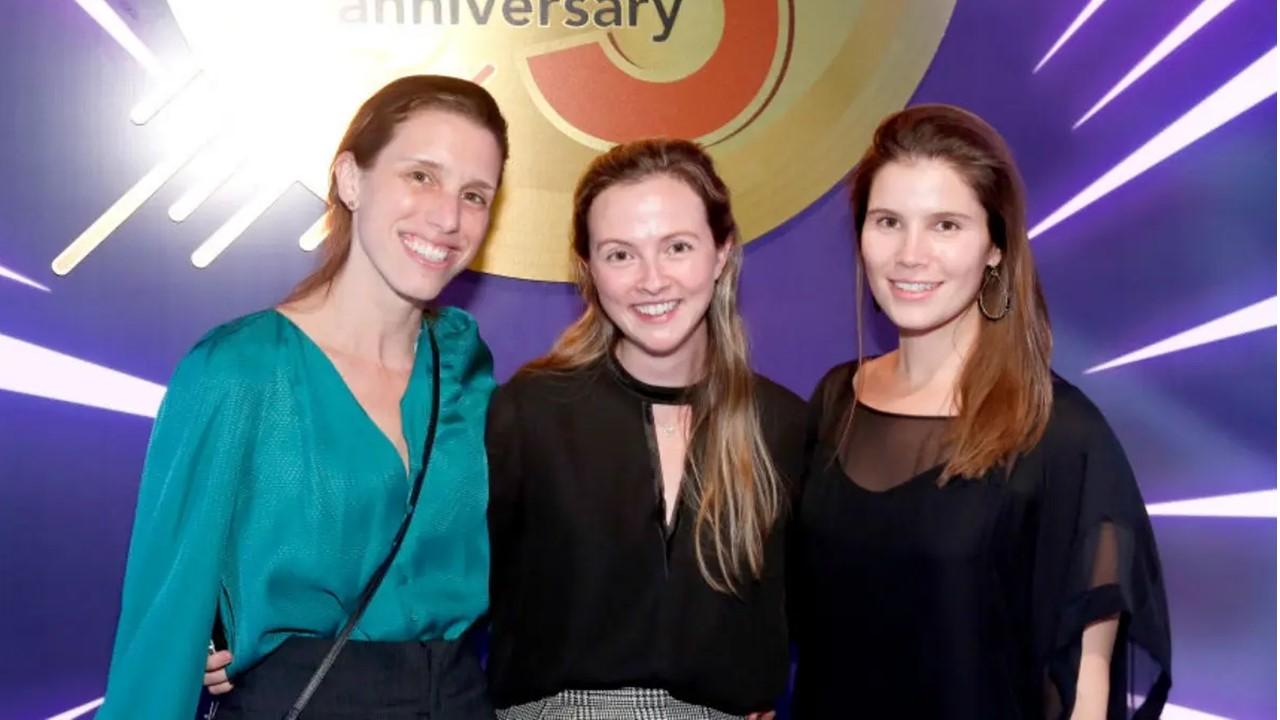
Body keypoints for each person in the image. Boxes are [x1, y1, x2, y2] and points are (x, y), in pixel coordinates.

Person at [99, 74, 508, 719]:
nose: (448, 217)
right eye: (421, 176)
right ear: (350, 179)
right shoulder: (237, 372)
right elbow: (162, 632)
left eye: (475, 194)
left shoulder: (468, 373)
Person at [790, 104, 1172, 719]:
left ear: (996, 247)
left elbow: (1085, 688)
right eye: (888, 221)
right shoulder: (835, 403)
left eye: (945, 225)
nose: (910, 254)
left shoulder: (1060, 434)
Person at [485, 138, 806, 719]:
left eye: (677, 247)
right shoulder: (528, 412)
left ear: (722, 254)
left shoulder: (782, 425)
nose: (651, 280)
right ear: (588, 269)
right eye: (621, 255)